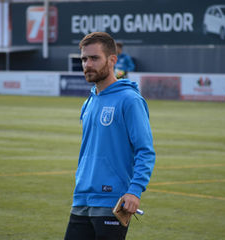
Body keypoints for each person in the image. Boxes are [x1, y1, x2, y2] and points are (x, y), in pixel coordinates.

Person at [64, 32, 156, 240]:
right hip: (82, 198)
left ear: (112, 60)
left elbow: (145, 151)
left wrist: (135, 190)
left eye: (94, 58)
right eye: (84, 59)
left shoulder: (130, 100)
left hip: (112, 199)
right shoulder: (89, 101)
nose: (87, 64)